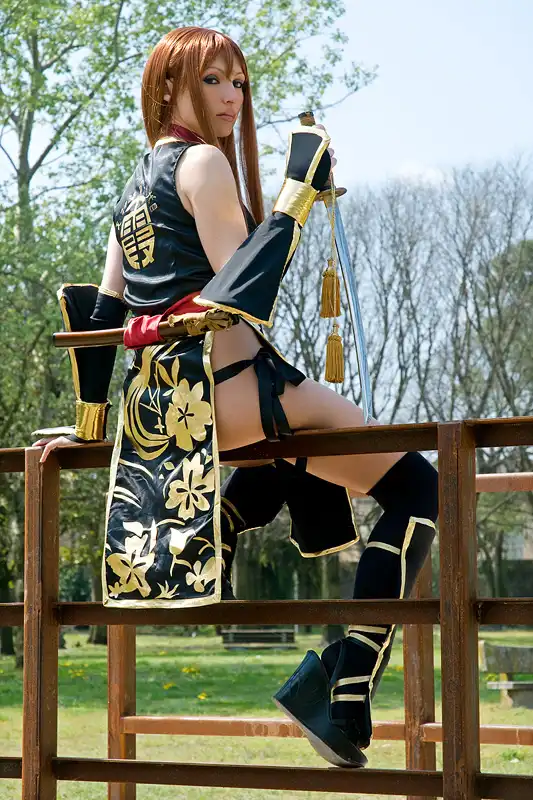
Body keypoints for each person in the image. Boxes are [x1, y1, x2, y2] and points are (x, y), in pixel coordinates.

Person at [33, 26, 438, 769]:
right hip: (233, 390)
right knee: (419, 487)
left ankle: (219, 536)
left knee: (279, 469)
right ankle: (347, 690)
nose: (232, 98)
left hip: (164, 408)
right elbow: (242, 289)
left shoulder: (133, 188)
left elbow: (102, 314)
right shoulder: (204, 163)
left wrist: (90, 426)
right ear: (167, 87)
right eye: (214, 80)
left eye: (239, 83)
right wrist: (296, 194)